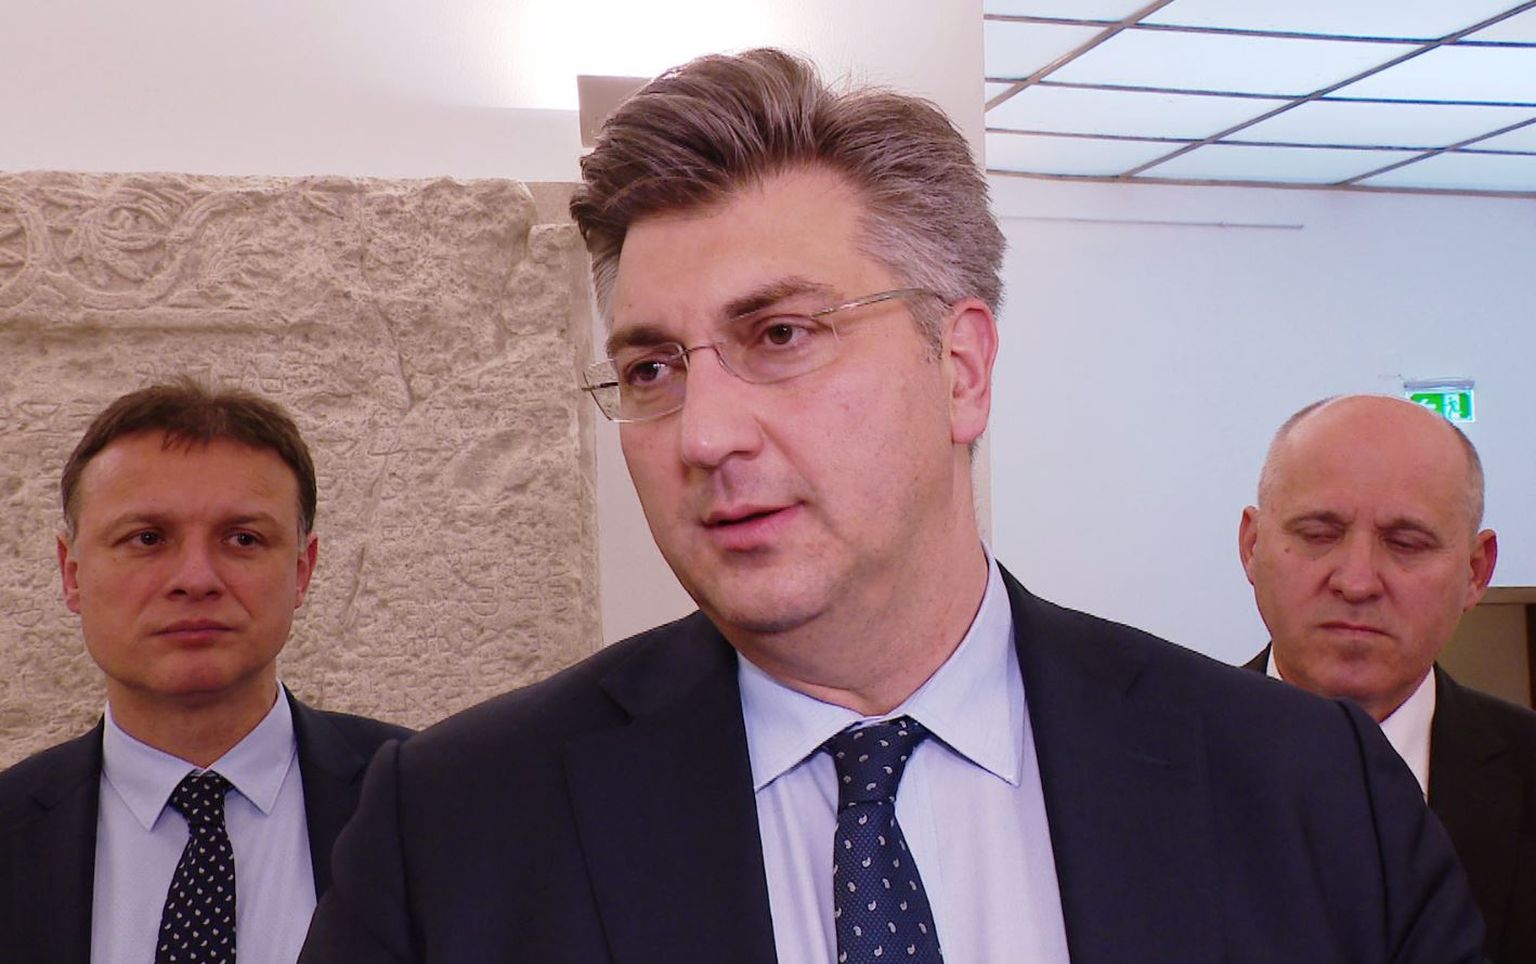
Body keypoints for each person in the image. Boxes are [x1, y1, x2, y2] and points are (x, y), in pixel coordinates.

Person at [301, 49, 1481, 963]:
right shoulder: (456, 828)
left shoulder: (1306, 790)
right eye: (652, 368)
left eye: (781, 334)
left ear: (960, 367)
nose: (703, 434)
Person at [0, 379, 410, 964]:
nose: (196, 578)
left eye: (243, 538)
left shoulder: (436, 808)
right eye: (147, 538)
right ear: (72, 573)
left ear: (302, 570)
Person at [1239, 393, 1536, 963]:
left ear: (1476, 571)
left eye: (1406, 544)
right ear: (1252, 547)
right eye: (1318, 533)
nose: (1357, 582)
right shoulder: (1135, 774)